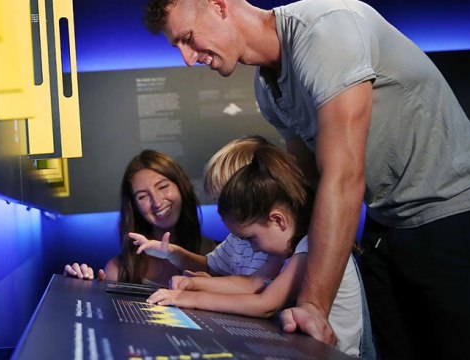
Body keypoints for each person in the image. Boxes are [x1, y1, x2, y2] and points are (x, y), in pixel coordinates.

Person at [142, 0, 470, 359]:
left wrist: (312, 306)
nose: (186, 57)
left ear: (219, 6)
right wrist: (260, 278)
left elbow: (343, 176)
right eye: (177, 46)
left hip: (455, 209)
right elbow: (306, 188)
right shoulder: (268, 91)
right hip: (387, 222)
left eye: (188, 38)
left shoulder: (326, 30)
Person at [147, 144, 370, 358]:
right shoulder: (289, 251)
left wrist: (189, 299)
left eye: (252, 238)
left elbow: (265, 304)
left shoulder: (310, 247)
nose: (253, 247)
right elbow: (252, 283)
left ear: (278, 220)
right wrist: (193, 285)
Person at [130, 135, 283, 280]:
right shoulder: (235, 240)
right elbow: (210, 267)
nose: (221, 211)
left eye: (226, 201)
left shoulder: (276, 243)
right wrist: (170, 252)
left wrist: (202, 288)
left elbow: (254, 288)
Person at [63, 149, 215, 286]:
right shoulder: (119, 271)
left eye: (163, 187)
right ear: (134, 206)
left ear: (181, 187)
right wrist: (81, 290)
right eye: (143, 196)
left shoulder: (222, 256)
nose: (157, 202)